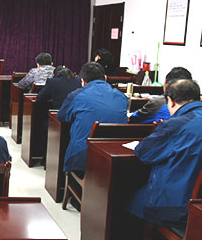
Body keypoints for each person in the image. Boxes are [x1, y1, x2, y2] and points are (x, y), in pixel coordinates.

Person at [129, 79, 202, 230]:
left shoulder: (177, 124)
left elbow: (144, 153)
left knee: (130, 195)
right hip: (197, 203)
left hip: (177, 205)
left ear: (171, 101)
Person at [59, 62, 128, 173]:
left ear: (82, 81)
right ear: (105, 78)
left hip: (83, 160)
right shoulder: (121, 96)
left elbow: (62, 117)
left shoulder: (76, 95)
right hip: (115, 160)